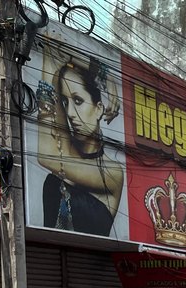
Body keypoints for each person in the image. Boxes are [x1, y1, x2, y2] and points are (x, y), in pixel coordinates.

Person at [36, 37, 124, 236]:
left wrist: (107, 78)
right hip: (51, 256)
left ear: (99, 108)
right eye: (65, 103)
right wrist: (107, 77)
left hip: (93, 263)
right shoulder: (64, 151)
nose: (70, 114)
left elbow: (47, 157)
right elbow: (51, 46)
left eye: (78, 100)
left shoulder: (112, 173)